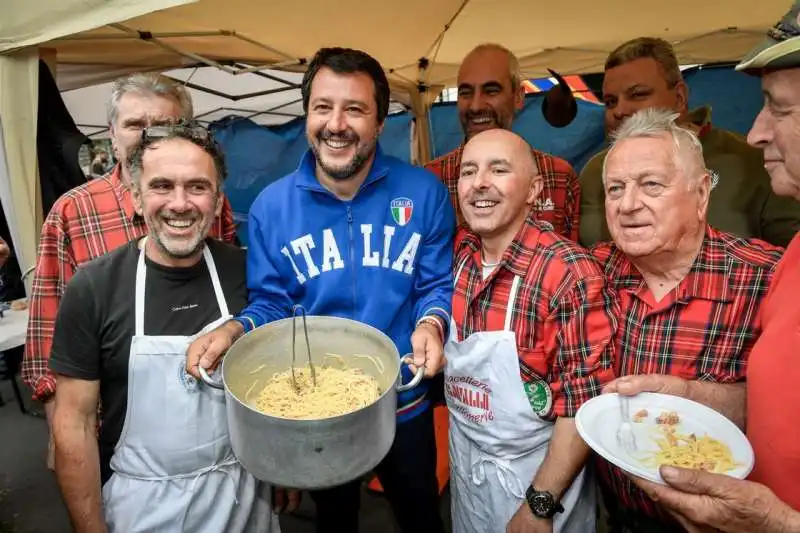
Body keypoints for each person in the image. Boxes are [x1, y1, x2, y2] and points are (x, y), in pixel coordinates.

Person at [186, 47, 454, 533]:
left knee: (421, 518)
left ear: (378, 121)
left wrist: (432, 324)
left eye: (355, 109)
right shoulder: (272, 208)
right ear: (306, 114)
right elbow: (271, 302)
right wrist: (235, 329)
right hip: (321, 411)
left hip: (406, 402)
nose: (337, 124)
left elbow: (435, 283)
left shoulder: (424, 192)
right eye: (323, 107)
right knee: (334, 522)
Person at [613, 3, 800, 531]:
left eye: (779, 109)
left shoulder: (759, 272)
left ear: (701, 198)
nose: (757, 132)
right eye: (614, 189)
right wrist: (693, 395)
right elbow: (776, 406)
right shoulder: (793, 263)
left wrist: (775, 522)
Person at [49, 123, 283, 532]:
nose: (180, 203)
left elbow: (274, 383)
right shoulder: (93, 287)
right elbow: (74, 424)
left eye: (197, 187)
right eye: (161, 186)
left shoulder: (245, 271)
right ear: (137, 198)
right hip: (143, 506)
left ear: (218, 200)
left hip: (244, 498)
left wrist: (281, 468)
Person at [20, 72, 238, 469]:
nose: (148, 137)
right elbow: (47, 343)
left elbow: (231, 290)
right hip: (115, 436)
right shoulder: (72, 212)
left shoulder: (207, 204)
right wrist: (65, 438)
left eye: (166, 126)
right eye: (135, 125)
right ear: (112, 133)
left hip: (215, 423)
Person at [590, 108, 783, 533]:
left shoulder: (768, 278)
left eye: (651, 185)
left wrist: (690, 394)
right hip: (617, 517)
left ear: (701, 196)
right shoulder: (589, 275)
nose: (627, 205)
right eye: (614, 188)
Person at [445, 128, 617, 533]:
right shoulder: (458, 256)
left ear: (533, 189)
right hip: (468, 468)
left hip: (539, 482)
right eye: (469, 172)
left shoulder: (568, 273)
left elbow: (582, 407)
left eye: (498, 169)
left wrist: (539, 505)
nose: (480, 183)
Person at [578, 37, 800, 248]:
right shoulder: (594, 172)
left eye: (638, 94)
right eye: (610, 101)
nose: (620, 110)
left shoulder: (753, 161)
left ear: (680, 97)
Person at [425, 43, 581, 241]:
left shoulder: (558, 176)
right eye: (465, 93)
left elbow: (571, 262)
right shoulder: (431, 179)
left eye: (491, 91)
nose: (475, 106)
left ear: (518, 97)